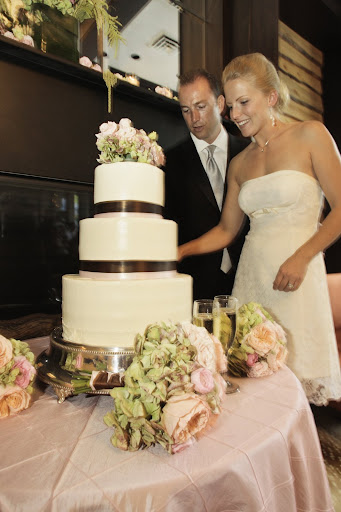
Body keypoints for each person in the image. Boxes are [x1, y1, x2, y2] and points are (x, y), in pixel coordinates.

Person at [178, 53, 341, 406]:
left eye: (244, 102)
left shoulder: (311, 135)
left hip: (298, 277)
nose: (234, 115)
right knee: (254, 394)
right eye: (231, 105)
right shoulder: (240, 163)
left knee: (295, 393)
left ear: (271, 97)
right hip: (252, 281)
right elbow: (225, 231)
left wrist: (302, 257)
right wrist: (179, 251)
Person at [164, 69, 250, 301]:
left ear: (220, 103)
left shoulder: (249, 151)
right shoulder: (168, 162)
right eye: (186, 110)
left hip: (250, 276)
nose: (194, 118)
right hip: (195, 286)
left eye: (200, 106)